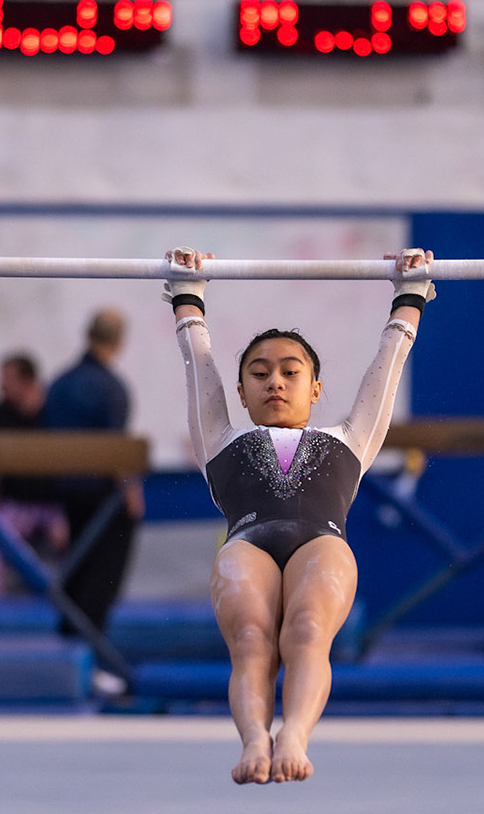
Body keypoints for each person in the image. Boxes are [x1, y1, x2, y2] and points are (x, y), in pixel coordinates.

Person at [163, 244, 431, 785]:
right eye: (259, 373)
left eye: (291, 371)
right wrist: (187, 296)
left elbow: (387, 369)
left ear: (316, 388)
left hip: (320, 542)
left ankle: (294, 735)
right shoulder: (219, 439)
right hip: (248, 543)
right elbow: (199, 367)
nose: (275, 382)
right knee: (251, 639)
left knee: (308, 628)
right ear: (241, 393)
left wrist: (410, 295)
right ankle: (254, 738)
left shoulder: (351, 439)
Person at [41, 310, 142, 636]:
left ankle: (70, 628)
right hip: (101, 492)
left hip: (65, 487)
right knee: (105, 564)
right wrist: (129, 489)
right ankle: (90, 633)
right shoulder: (111, 388)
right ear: (119, 341)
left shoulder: (59, 383)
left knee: (78, 558)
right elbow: (113, 448)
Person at [0, 353, 68, 598]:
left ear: (28, 382)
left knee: (76, 542)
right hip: (15, 505)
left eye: (8, 380)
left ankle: (74, 606)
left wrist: (68, 512)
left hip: (54, 506)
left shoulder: (56, 411)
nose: (1, 386)